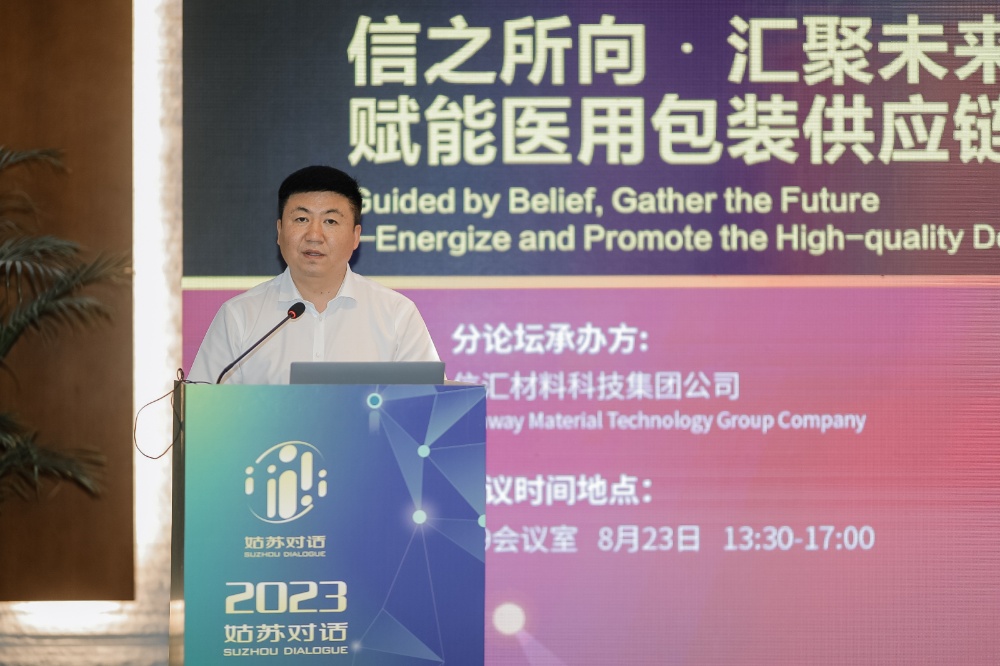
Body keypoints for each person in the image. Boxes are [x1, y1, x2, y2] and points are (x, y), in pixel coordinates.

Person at [188, 165, 440, 384]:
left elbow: (429, 409)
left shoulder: (396, 315)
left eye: (330, 221)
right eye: (301, 219)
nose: (314, 235)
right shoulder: (239, 316)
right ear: (279, 231)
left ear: (356, 236)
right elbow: (203, 411)